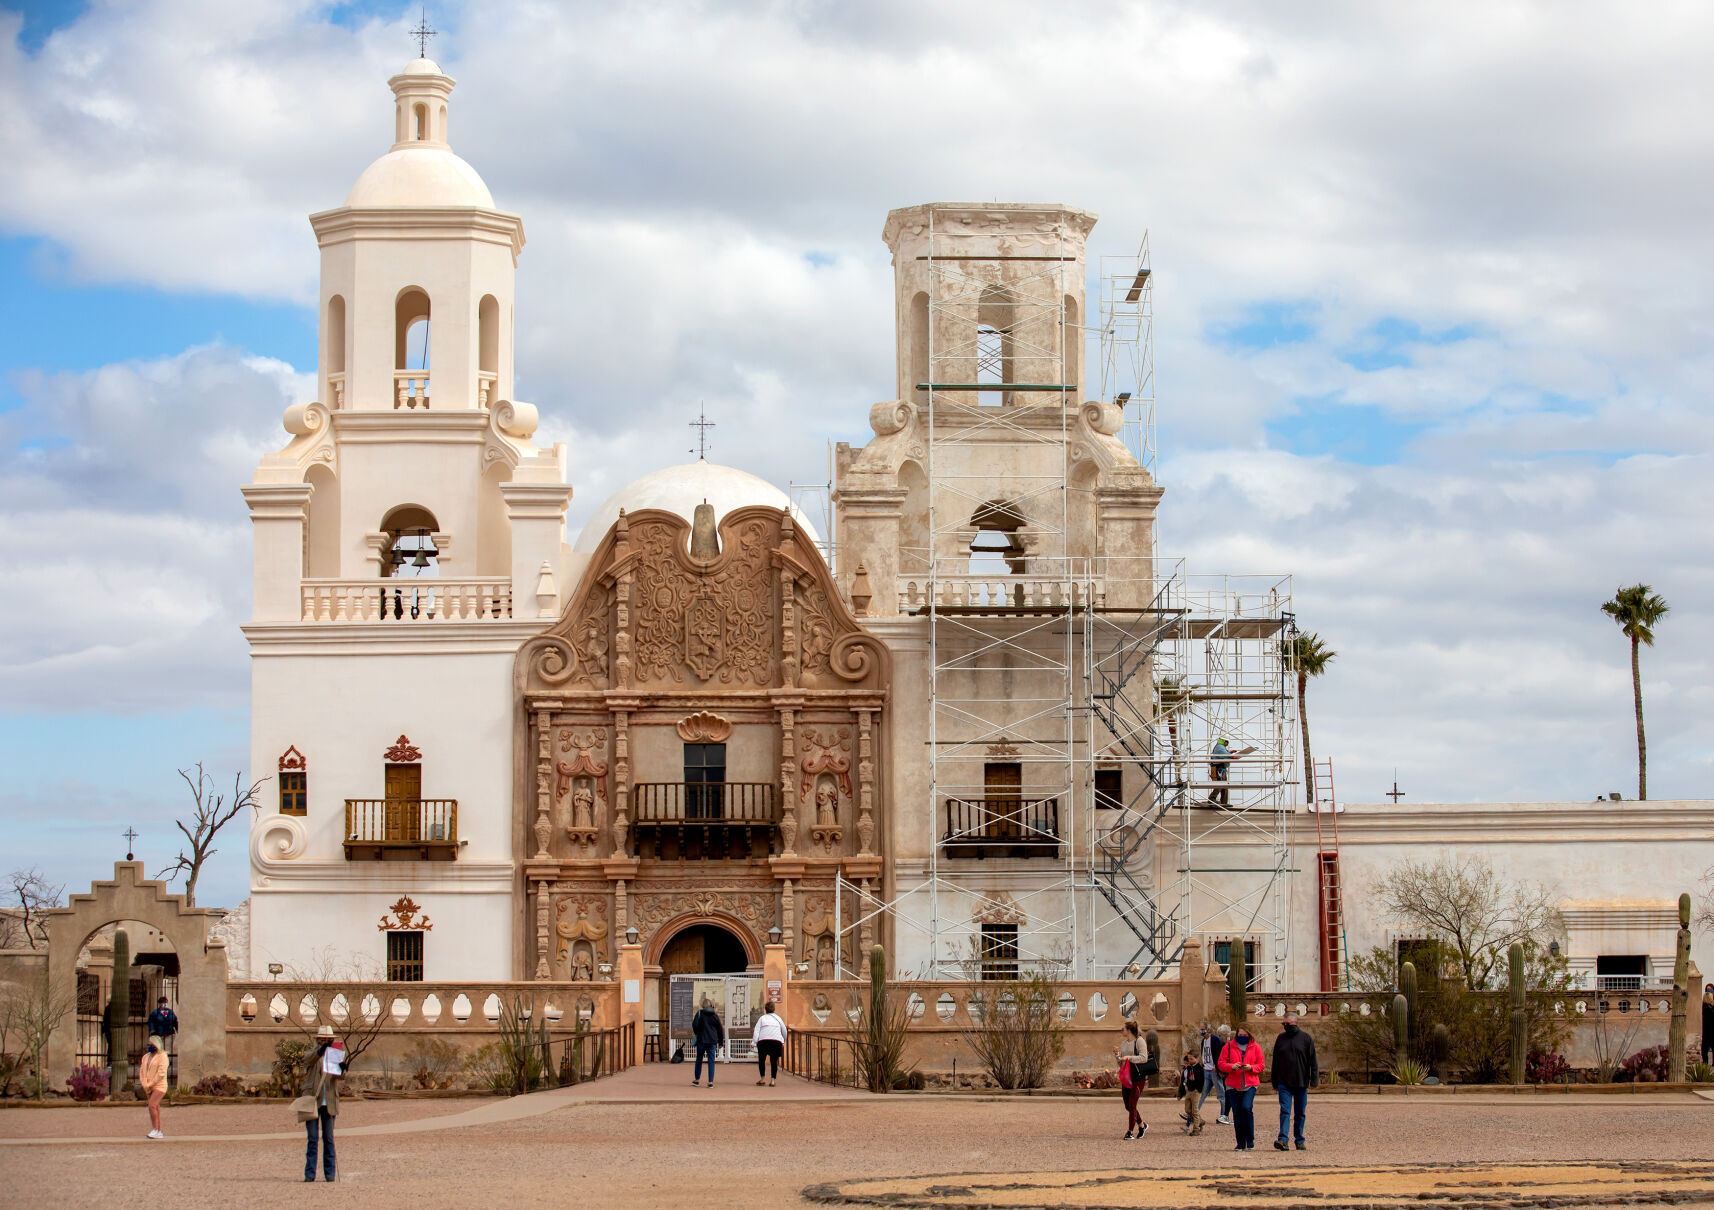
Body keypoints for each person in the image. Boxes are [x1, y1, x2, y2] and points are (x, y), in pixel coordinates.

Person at [300, 1024, 343, 1182]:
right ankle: (310, 1174)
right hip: (313, 1100)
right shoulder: (313, 1053)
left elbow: (336, 1077)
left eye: (328, 1039)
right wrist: (321, 1051)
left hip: (329, 1101)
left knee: (329, 1138)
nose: (326, 1041)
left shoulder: (334, 1054)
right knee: (312, 1138)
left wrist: (341, 1068)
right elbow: (308, 1059)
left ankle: (329, 1174)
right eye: (323, 1039)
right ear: (318, 1039)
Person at [1270, 1011, 1318, 1151]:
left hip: (1301, 1081)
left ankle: (1299, 1139)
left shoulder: (1306, 1038)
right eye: (1283, 1024)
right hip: (1284, 1081)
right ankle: (1283, 1139)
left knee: (1300, 1113)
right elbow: (1276, 1061)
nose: (1285, 1026)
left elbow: (1313, 1061)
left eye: (1288, 1024)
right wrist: (1274, 1081)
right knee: (1285, 1111)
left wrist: (1314, 1079)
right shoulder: (1281, 1038)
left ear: (1296, 1023)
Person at [1218, 1024, 1264, 1150]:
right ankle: (1240, 1142)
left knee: (1246, 1108)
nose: (1242, 1037)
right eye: (1240, 1035)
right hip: (1233, 1084)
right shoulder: (1228, 1047)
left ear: (1249, 1035)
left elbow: (1261, 1065)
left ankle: (1250, 1139)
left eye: (1245, 1035)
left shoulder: (1255, 1047)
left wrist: (1251, 1068)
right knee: (1237, 1113)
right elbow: (1221, 1063)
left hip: (1250, 1084)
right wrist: (1231, 1067)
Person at [1114, 1019, 1150, 1139]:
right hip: (1127, 1077)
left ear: (1129, 1030)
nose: (1121, 1031)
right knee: (1127, 1105)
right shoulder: (1124, 1043)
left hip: (1138, 1077)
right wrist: (1117, 1055)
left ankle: (1130, 1132)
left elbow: (1144, 1058)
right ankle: (1141, 1125)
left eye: (1123, 1029)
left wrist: (1128, 1058)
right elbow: (1121, 1063)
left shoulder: (1139, 1041)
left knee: (1132, 1104)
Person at [1198, 1022, 1230, 1125]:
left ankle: (1223, 1115)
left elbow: (1218, 1054)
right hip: (1206, 1070)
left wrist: (1218, 1067)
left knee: (1221, 1094)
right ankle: (1194, 1113)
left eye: (1203, 1029)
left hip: (1214, 1071)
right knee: (1202, 1093)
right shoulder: (1203, 1041)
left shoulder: (1215, 1040)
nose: (1201, 1031)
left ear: (1209, 1030)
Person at [139, 1035, 169, 1140]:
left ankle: (155, 1129)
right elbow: (142, 1071)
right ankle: (158, 1130)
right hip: (148, 1085)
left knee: (152, 1105)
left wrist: (151, 1083)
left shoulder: (163, 1056)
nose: (150, 1047)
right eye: (149, 1045)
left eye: (152, 1045)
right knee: (155, 1107)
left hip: (159, 1085)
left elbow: (161, 1073)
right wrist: (144, 1083)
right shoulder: (146, 1056)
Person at [690, 998, 724, 1088]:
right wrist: (721, 1042)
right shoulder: (715, 1015)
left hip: (701, 1040)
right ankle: (710, 1082)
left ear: (702, 1005)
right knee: (711, 1061)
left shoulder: (700, 1013)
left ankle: (697, 1080)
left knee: (699, 1060)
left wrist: (698, 1033)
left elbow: (694, 1025)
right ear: (710, 1005)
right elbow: (720, 1029)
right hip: (712, 1041)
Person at [753, 1000, 786, 1086]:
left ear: (765, 1009)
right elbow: (784, 1030)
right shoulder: (778, 1018)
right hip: (776, 1041)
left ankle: (762, 1079)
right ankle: (772, 1081)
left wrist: (754, 1041)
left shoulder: (762, 1018)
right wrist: (783, 1041)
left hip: (763, 1041)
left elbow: (756, 1030)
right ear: (774, 1009)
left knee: (761, 1060)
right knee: (773, 1061)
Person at [146, 996, 178, 1086]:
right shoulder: (155, 1013)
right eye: (163, 1002)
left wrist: (177, 1029)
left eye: (165, 1002)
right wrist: (152, 1030)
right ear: (159, 1004)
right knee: (158, 1049)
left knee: (167, 1049)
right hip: (158, 1034)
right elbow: (151, 1022)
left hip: (169, 1034)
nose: (164, 1004)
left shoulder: (170, 1012)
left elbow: (175, 1021)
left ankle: (166, 1063)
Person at [1176, 1049, 1205, 1135]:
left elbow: (1202, 1081)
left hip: (1196, 1092)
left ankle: (1196, 1129)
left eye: (1191, 1059)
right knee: (1188, 1110)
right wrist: (1185, 1085)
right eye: (1189, 1059)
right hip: (1189, 1091)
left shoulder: (1199, 1068)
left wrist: (1198, 1089)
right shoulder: (1188, 1068)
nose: (1190, 1061)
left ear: (1197, 1058)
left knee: (1194, 1110)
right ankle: (1200, 1121)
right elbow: (1186, 1078)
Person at [1210, 739, 1231, 807]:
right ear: (1223, 741)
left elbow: (1225, 754)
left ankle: (1224, 802)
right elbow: (1225, 755)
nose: (1227, 743)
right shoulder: (1220, 747)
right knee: (1220, 784)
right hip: (1219, 768)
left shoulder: (1221, 747)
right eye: (1226, 741)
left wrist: (1229, 753)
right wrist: (1230, 754)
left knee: (1224, 785)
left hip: (1221, 768)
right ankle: (1212, 798)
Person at [1702, 983, 1713, 1066]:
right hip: (1708, 1032)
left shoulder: (1707, 1007)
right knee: (1705, 1051)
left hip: (1707, 1032)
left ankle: (1705, 1065)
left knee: (1704, 1051)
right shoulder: (1707, 1007)